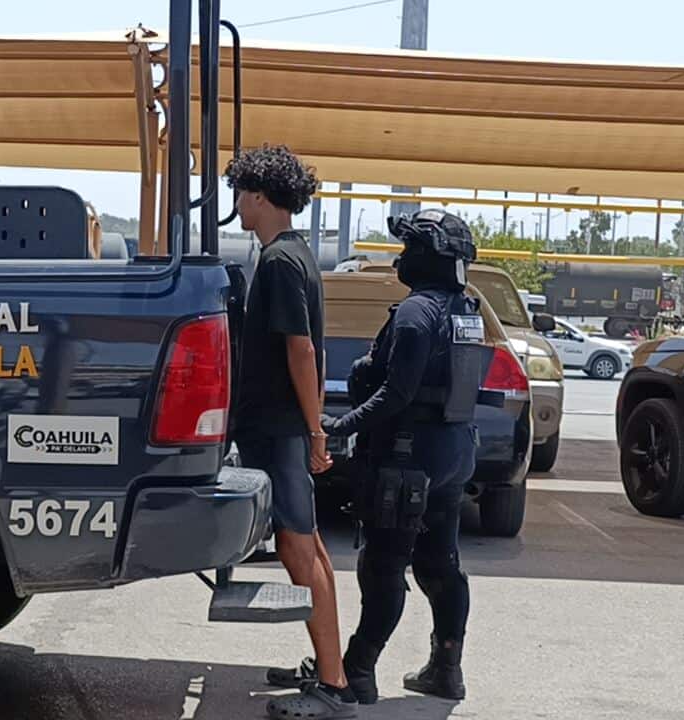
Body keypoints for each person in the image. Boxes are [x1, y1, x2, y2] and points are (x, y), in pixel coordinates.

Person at [321, 208, 485, 705]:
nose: (402, 257)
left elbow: (396, 393)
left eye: (410, 248)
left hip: (408, 457)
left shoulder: (418, 311)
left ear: (429, 257)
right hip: (454, 453)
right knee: (441, 564)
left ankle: (357, 671)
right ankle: (446, 668)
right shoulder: (466, 309)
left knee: (383, 566)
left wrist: (338, 427)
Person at [224, 145, 357, 720]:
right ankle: (330, 670)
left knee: (300, 551)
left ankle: (335, 687)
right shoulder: (298, 255)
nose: (236, 205)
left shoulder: (278, 262)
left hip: (278, 429)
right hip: (284, 429)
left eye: (240, 193)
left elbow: (301, 351)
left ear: (258, 195)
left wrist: (313, 430)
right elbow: (315, 349)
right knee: (311, 549)